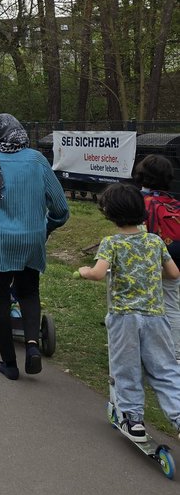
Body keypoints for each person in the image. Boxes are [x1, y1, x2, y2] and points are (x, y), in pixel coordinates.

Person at [0, 113, 69, 380]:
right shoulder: (37, 160)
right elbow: (61, 209)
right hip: (30, 240)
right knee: (28, 293)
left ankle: (9, 364)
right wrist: (44, 229)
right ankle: (32, 346)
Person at [76, 182, 180, 440]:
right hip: (155, 315)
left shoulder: (111, 243)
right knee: (165, 369)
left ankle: (133, 419)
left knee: (127, 368)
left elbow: (99, 273)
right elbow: (174, 273)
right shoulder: (155, 241)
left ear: (109, 213)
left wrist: (84, 271)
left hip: (124, 317)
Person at [132, 154, 180, 360]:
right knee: (171, 303)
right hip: (174, 262)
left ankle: (140, 350)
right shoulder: (174, 203)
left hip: (147, 263)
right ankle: (175, 352)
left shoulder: (139, 202)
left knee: (138, 304)